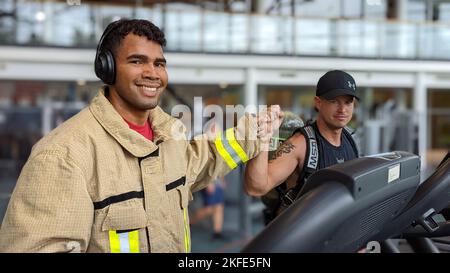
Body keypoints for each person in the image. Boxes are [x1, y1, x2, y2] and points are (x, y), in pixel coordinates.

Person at [0, 19, 281, 253]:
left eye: (159, 63)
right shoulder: (63, 155)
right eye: (137, 61)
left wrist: (256, 130)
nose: (152, 73)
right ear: (107, 69)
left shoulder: (168, 135)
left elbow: (203, 159)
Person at [244, 70, 360, 222]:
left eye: (348, 102)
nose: (343, 109)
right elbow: (256, 187)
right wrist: (263, 139)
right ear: (318, 103)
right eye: (334, 101)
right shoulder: (301, 144)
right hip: (299, 238)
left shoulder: (351, 141)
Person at [190, 176, 227, 240]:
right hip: (209, 181)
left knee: (219, 207)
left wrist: (222, 180)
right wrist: (208, 183)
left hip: (217, 183)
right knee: (210, 208)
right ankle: (189, 222)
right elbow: (206, 167)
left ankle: (217, 232)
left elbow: (219, 168)